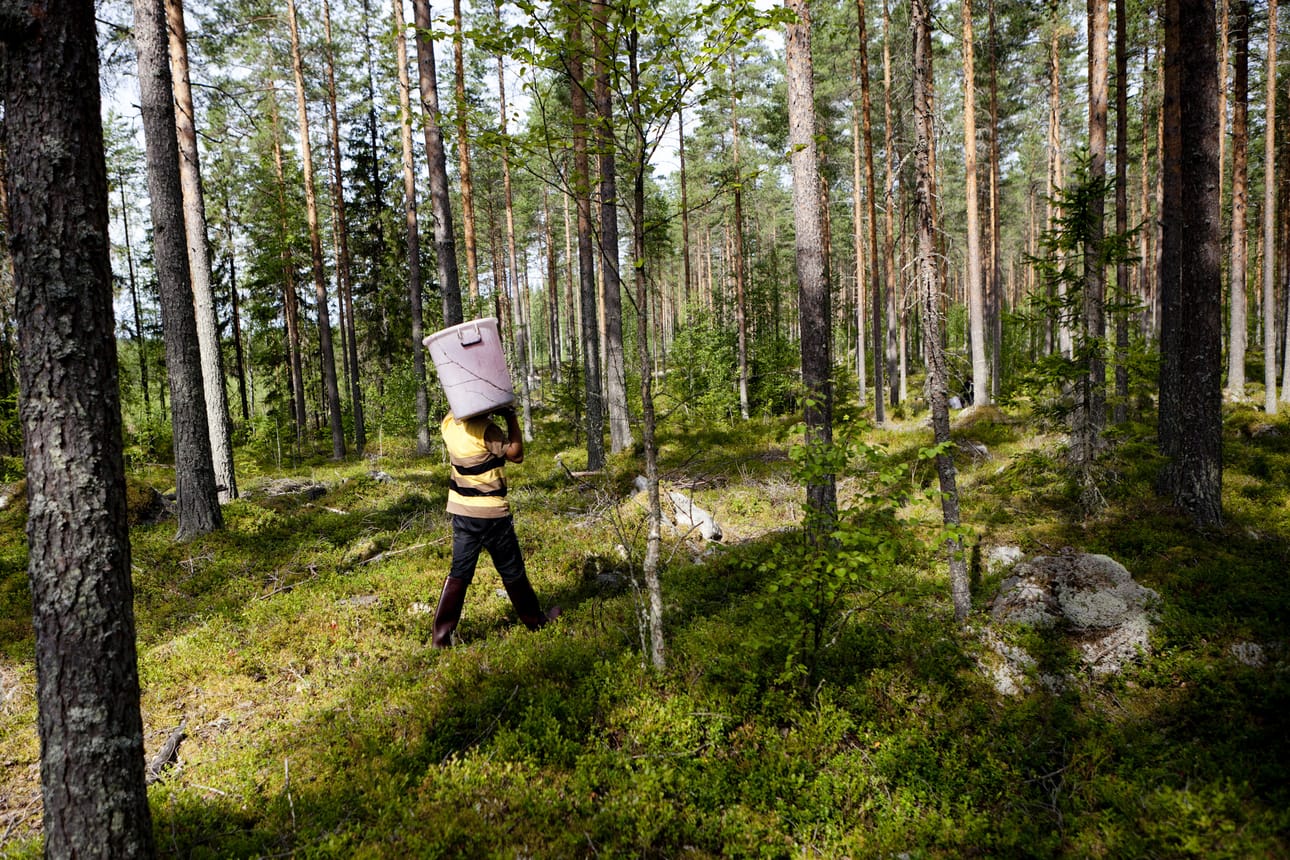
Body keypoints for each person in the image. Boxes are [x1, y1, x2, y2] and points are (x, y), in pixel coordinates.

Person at [431, 405, 560, 647]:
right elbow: (516, 454)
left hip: (462, 511)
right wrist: (510, 417)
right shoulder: (486, 430)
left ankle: (441, 638)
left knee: (459, 572)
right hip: (491, 515)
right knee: (512, 570)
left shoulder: (449, 423)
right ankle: (536, 622)